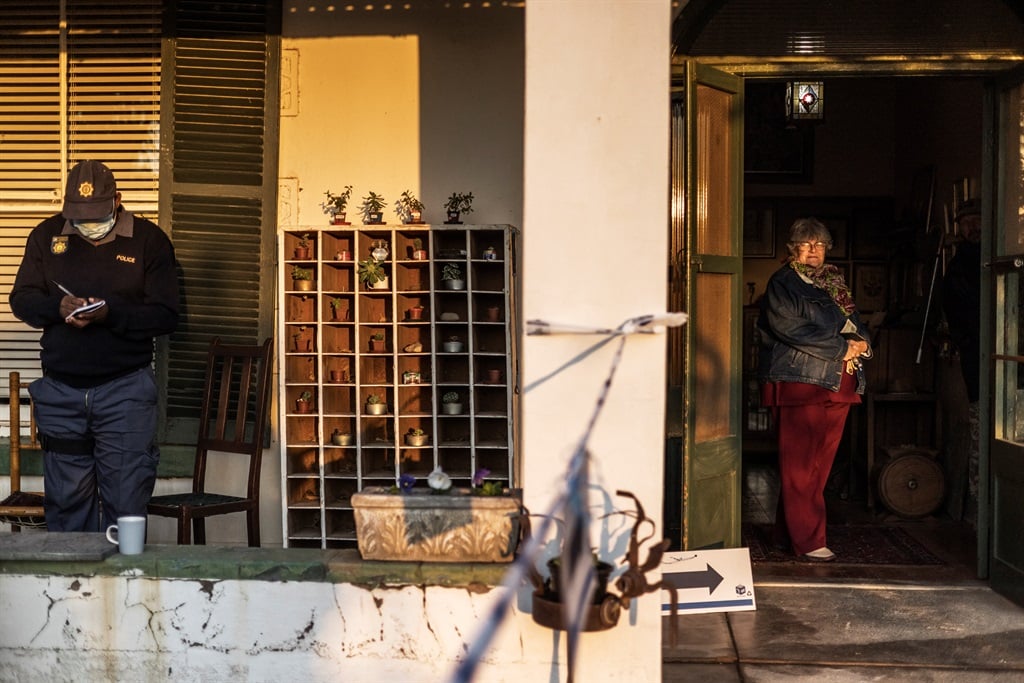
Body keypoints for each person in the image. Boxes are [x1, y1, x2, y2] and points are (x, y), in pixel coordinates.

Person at [9, 160, 180, 532]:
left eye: (95, 215)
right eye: (78, 215)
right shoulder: (45, 236)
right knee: (67, 507)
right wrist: (58, 307)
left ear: (117, 200)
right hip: (62, 392)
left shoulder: (149, 241)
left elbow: (167, 315)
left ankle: (127, 587)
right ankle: (73, 589)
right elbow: (21, 299)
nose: (87, 224)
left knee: (126, 503)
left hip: (125, 392)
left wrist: (109, 314)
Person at [757, 217, 872, 562]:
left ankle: (786, 534)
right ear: (793, 249)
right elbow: (790, 329)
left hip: (838, 384)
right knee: (800, 467)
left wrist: (862, 342)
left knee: (817, 467)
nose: (813, 252)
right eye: (806, 245)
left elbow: (857, 325)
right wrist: (844, 347)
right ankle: (808, 541)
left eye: (819, 245)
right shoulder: (783, 283)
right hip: (800, 383)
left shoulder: (833, 285)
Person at [941, 198, 981, 524]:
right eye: (966, 223)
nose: (972, 228)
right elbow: (958, 310)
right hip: (977, 359)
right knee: (979, 432)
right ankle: (977, 516)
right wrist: (967, 340)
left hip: (1004, 357)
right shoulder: (960, 264)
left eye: (977, 221)